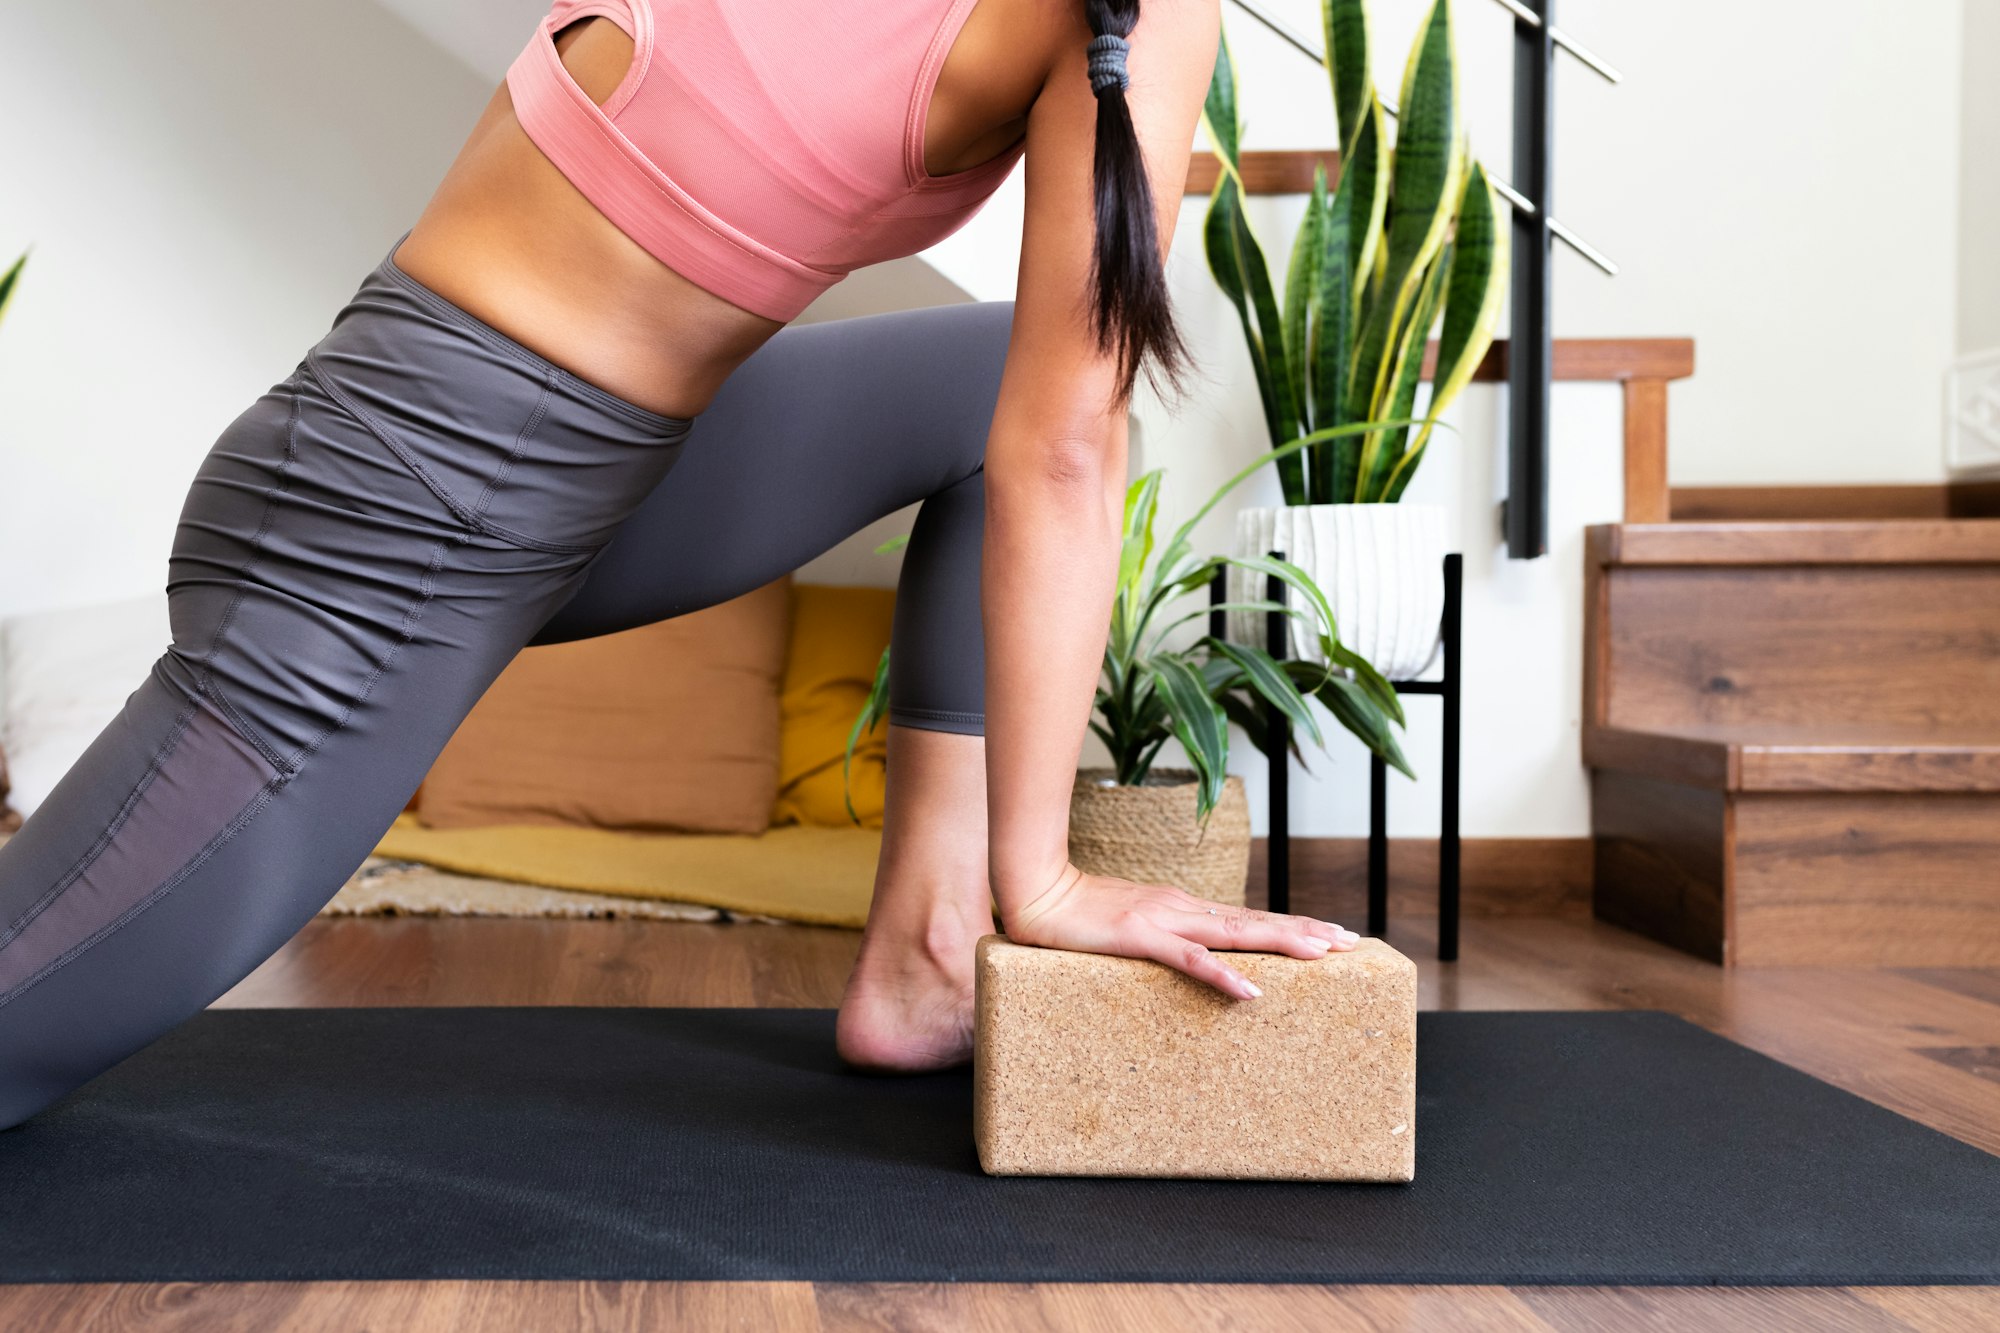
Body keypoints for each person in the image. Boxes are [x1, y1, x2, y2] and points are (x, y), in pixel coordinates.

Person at [0, 0, 1359, 1128]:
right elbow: (1071, 453)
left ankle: (928, 955)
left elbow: (1039, 423)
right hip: (368, 558)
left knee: (977, 386)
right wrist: (1048, 882)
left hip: (558, 481)